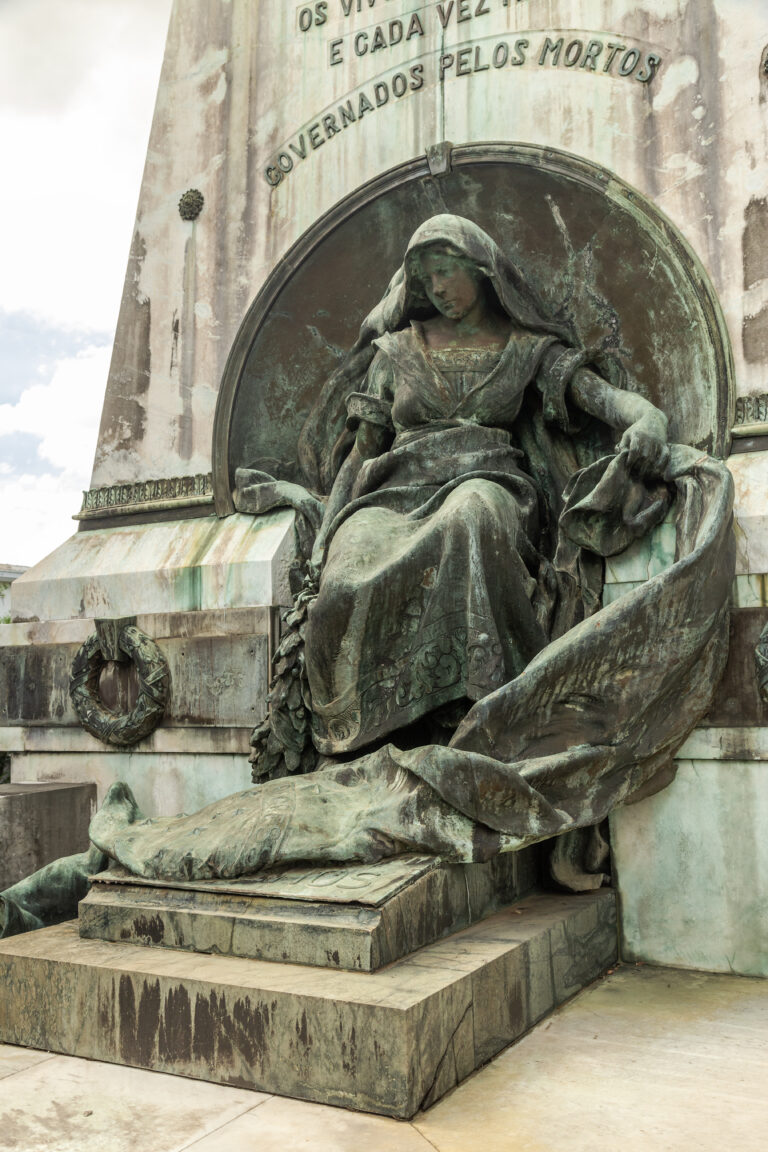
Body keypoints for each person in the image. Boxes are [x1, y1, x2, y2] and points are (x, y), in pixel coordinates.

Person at [0, 215, 734, 934]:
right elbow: (360, 455)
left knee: (471, 522)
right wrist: (329, 536)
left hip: (485, 483)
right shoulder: (396, 351)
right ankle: (361, 749)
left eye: (447, 271)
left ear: (483, 270)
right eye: (425, 276)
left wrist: (646, 423)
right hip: (392, 492)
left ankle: (469, 734)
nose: (437, 288)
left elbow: (609, 402)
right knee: (348, 575)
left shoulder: (527, 351)